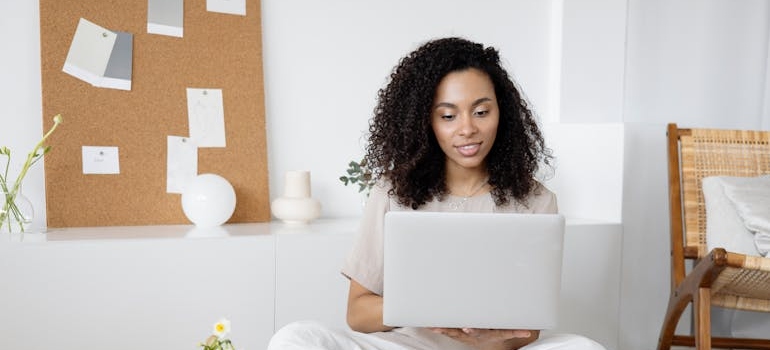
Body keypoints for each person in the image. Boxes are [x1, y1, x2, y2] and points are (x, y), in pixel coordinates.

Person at [267, 37, 606, 350]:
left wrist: (487, 338)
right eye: (448, 115)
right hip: (406, 345)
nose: (467, 129)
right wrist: (422, 310)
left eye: (481, 111)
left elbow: (529, 330)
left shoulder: (535, 200)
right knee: (294, 338)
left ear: (502, 113)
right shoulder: (392, 192)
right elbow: (358, 312)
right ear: (425, 122)